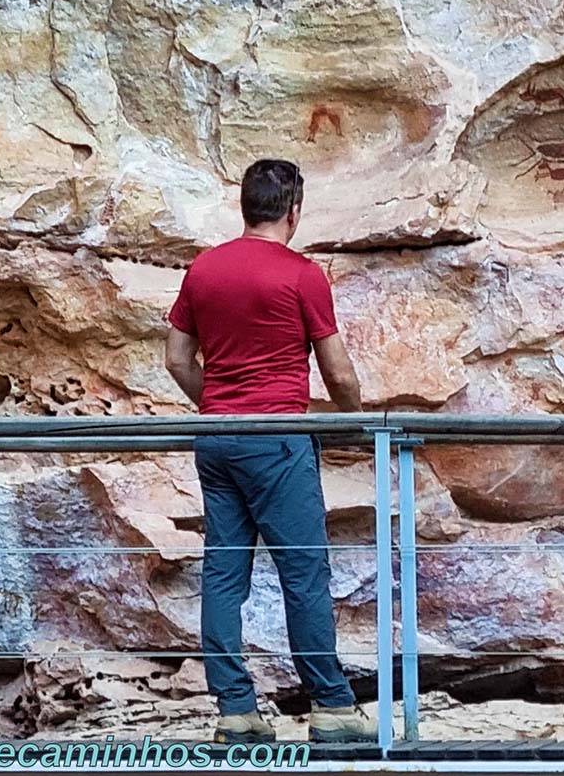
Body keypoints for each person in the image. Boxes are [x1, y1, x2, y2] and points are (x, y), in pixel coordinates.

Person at [164, 159, 378, 745]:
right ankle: (332, 707)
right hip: (278, 439)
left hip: (216, 440)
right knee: (303, 574)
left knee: (224, 573)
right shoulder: (302, 275)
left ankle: (236, 710)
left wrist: (219, 407)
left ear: (244, 208)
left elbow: (177, 360)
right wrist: (355, 422)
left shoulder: (203, 270)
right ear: (294, 211)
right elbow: (338, 371)